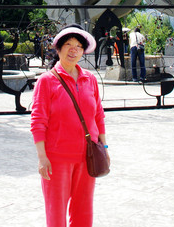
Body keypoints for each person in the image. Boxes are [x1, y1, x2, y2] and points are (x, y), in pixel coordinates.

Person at [31, 24, 108, 227]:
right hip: (57, 159)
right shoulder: (47, 81)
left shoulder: (89, 79)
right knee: (56, 214)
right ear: (58, 48)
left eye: (78, 46)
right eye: (68, 44)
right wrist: (42, 157)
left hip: (87, 156)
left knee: (84, 212)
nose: (73, 50)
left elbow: (98, 116)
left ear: (83, 51)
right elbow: (38, 121)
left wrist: (104, 147)